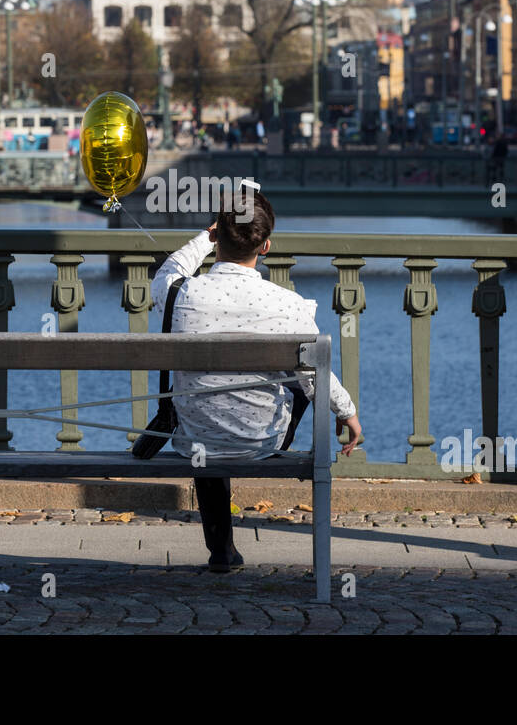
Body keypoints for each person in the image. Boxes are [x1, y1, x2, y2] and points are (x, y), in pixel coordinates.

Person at [150, 189, 361, 573]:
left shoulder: (179, 292)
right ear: (265, 246)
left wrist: (204, 236)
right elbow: (317, 378)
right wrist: (347, 412)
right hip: (261, 439)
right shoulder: (287, 305)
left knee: (205, 415)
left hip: (196, 438)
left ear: (218, 238)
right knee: (300, 373)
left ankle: (222, 551)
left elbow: (170, 268)